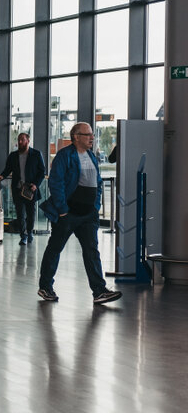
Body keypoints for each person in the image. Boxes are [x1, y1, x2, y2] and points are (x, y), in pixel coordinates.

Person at [37, 122, 121, 305]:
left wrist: (96, 206)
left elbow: (97, 183)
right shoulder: (64, 156)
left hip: (88, 215)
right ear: (76, 137)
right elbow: (56, 183)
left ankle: (99, 291)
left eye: (92, 134)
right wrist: (63, 211)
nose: (92, 137)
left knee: (92, 251)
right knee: (55, 249)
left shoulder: (91, 156)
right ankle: (45, 286)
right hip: (69, 214)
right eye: (88, 134)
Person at [0, 132, 47, 245]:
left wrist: (36, 184)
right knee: (20, 214)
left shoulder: (36, 154)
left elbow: (42, 171)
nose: (19, 142)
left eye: (22, 140)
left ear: (28, 141)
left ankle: (29, 232)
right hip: (18, 189)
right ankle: (23, 236)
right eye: (18, 140)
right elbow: (7, 169)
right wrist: (2, 175)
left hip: (30, 189)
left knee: (31, 214)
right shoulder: (13, 155)